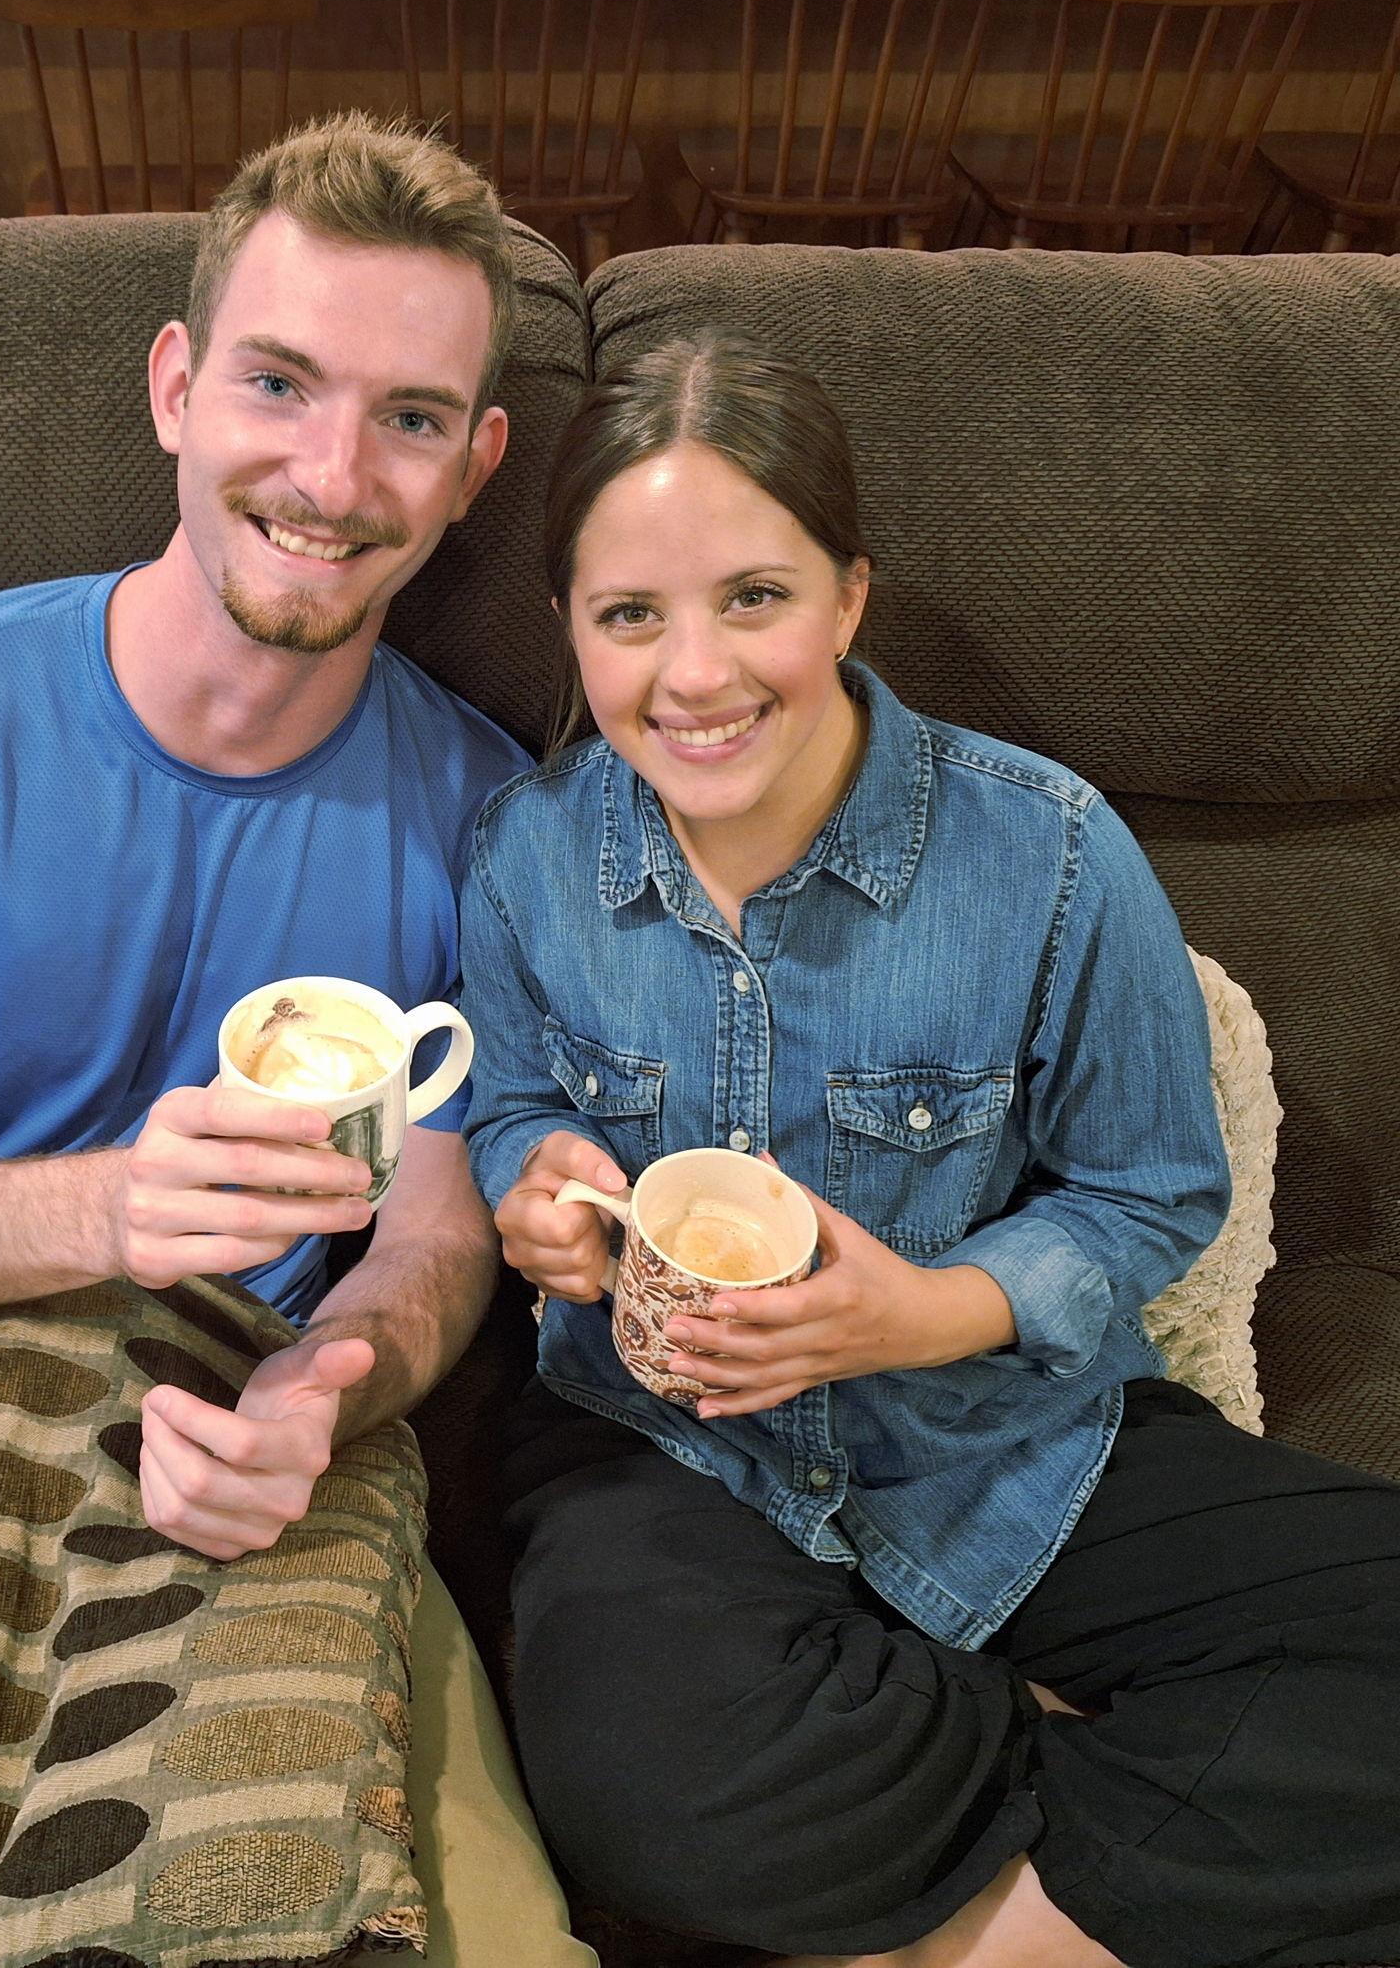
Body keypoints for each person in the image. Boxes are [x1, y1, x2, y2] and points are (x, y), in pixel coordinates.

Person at [461, 331, 1400, 1968]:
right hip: (659, 1445)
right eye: (631, 617)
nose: (695, 677)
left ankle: (978, 1910)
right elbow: (511, 1103)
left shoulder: (1048, 853)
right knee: (645, 1798)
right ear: (571, 631)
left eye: (755, 596)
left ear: (850, 595)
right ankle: (1107, 1792)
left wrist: (927, 1311)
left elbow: (1154, 1189)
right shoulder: (524, 856)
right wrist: (526, 1185)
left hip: (998, 1436)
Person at [0, 111, 527, 1563]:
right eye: (279, 384)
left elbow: (434, 1235)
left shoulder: (497, 822)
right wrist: (119, 1208)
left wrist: (326, 1393)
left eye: (410, 419)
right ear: (177, 389)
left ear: (475, 468)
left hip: (249, 1398)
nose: (334, 476)